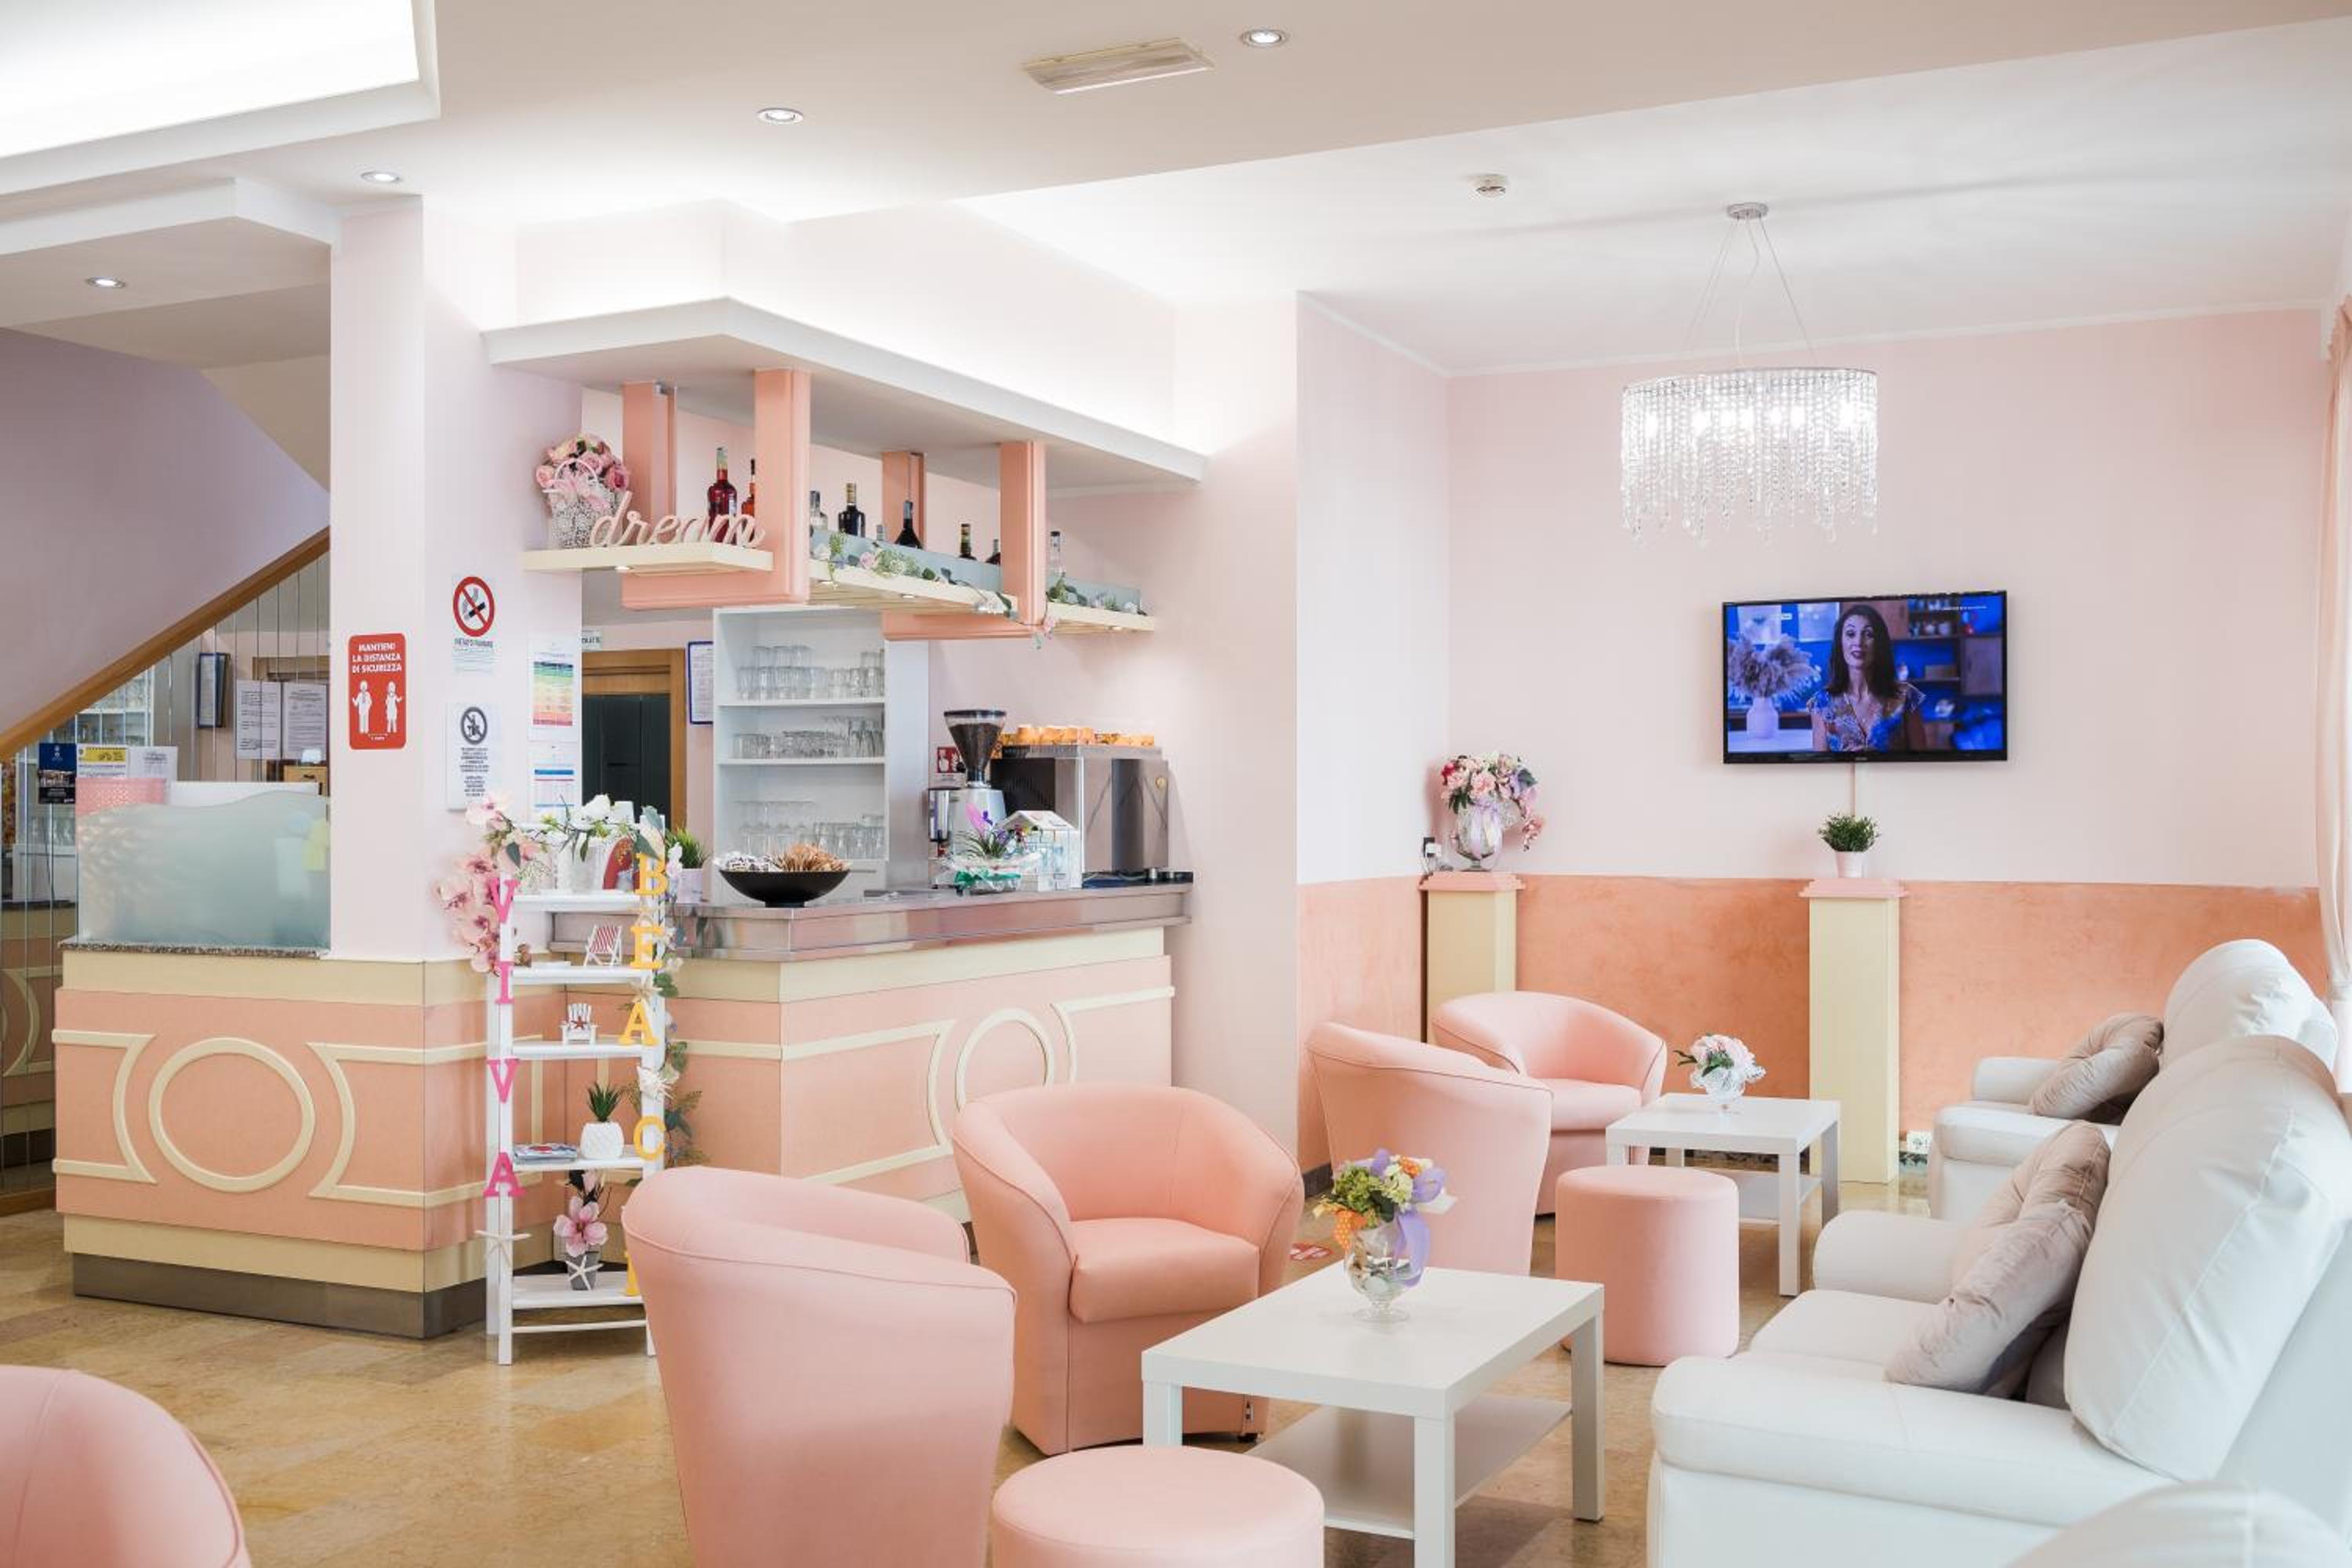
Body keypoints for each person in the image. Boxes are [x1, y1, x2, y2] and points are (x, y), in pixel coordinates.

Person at [1810, 603, 1926, 753]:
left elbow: (1922, 762)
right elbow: (1821, 766)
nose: (1858, 642)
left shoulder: (1906, 696)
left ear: (1880, 644)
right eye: (1851, 634)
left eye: (1868, 634)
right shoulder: (1821, 702)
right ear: (1840, 643)